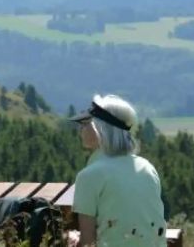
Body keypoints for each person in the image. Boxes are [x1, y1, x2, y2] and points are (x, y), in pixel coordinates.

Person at [69, 94, 167, 247]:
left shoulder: (89, 176)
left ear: (99, 129)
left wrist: (72, 241)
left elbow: (88, 242)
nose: (80, 129)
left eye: (85, 123)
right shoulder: (147, 168)